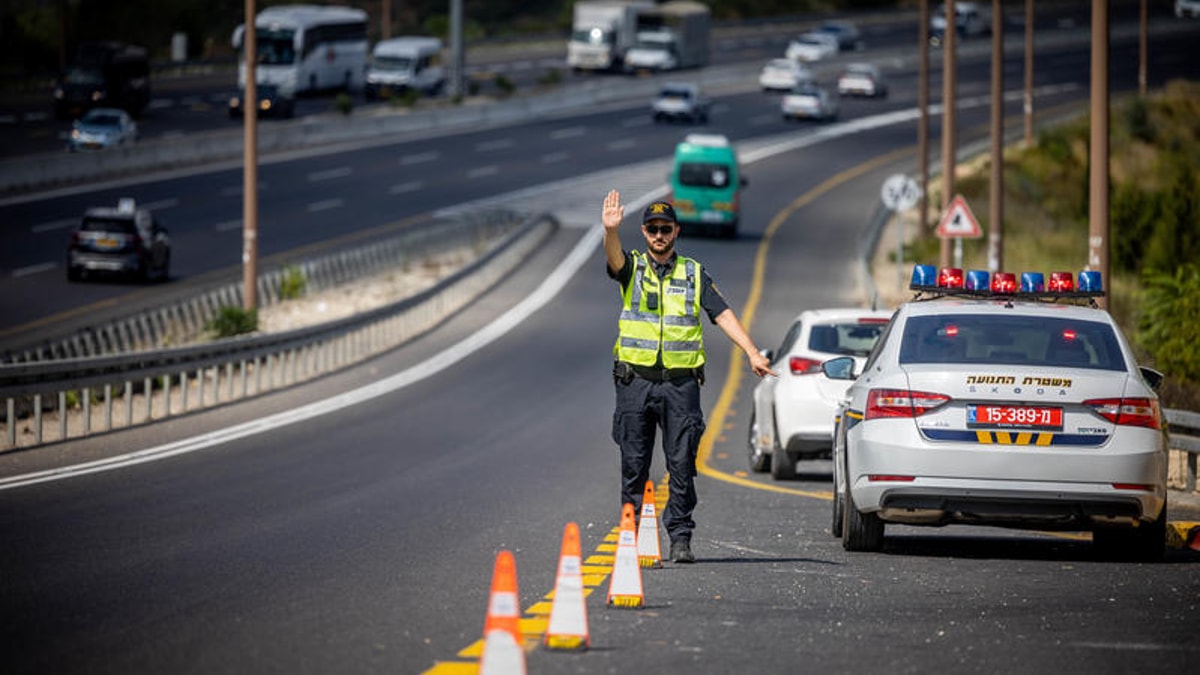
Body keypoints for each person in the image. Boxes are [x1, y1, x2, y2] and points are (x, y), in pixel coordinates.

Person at [602, 189, 776, 564]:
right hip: (635, 382)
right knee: (634, 465)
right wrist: (610, 231)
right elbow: (614, 260)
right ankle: (632, 537)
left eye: (665, 229)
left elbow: (722, 313)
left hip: (680, 385)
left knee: (681, 465)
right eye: (652, 229)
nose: (658, 235)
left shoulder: (693, 273)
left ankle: (680, 538)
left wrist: (751, 351)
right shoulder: (633, 269)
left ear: (676, 232)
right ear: (644, 233)